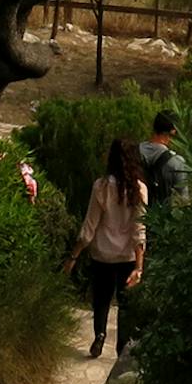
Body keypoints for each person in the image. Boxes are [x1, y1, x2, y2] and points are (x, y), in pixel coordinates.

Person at [64, 138, 147, 359]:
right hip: (127, 257)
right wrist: (139, 267)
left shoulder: (101, 186)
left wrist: (73, 256)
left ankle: (99, 335)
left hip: (102, 255)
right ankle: (122, 348)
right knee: (125, 305)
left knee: (101, 300)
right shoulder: (139, 189)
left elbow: (89, 226)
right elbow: (139, 230)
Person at [139, 110, 191, 207]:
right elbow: (184, 200)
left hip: (134, 213)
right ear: (173, 131)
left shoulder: (132, 152)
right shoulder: (176, 162)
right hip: (161, 215)